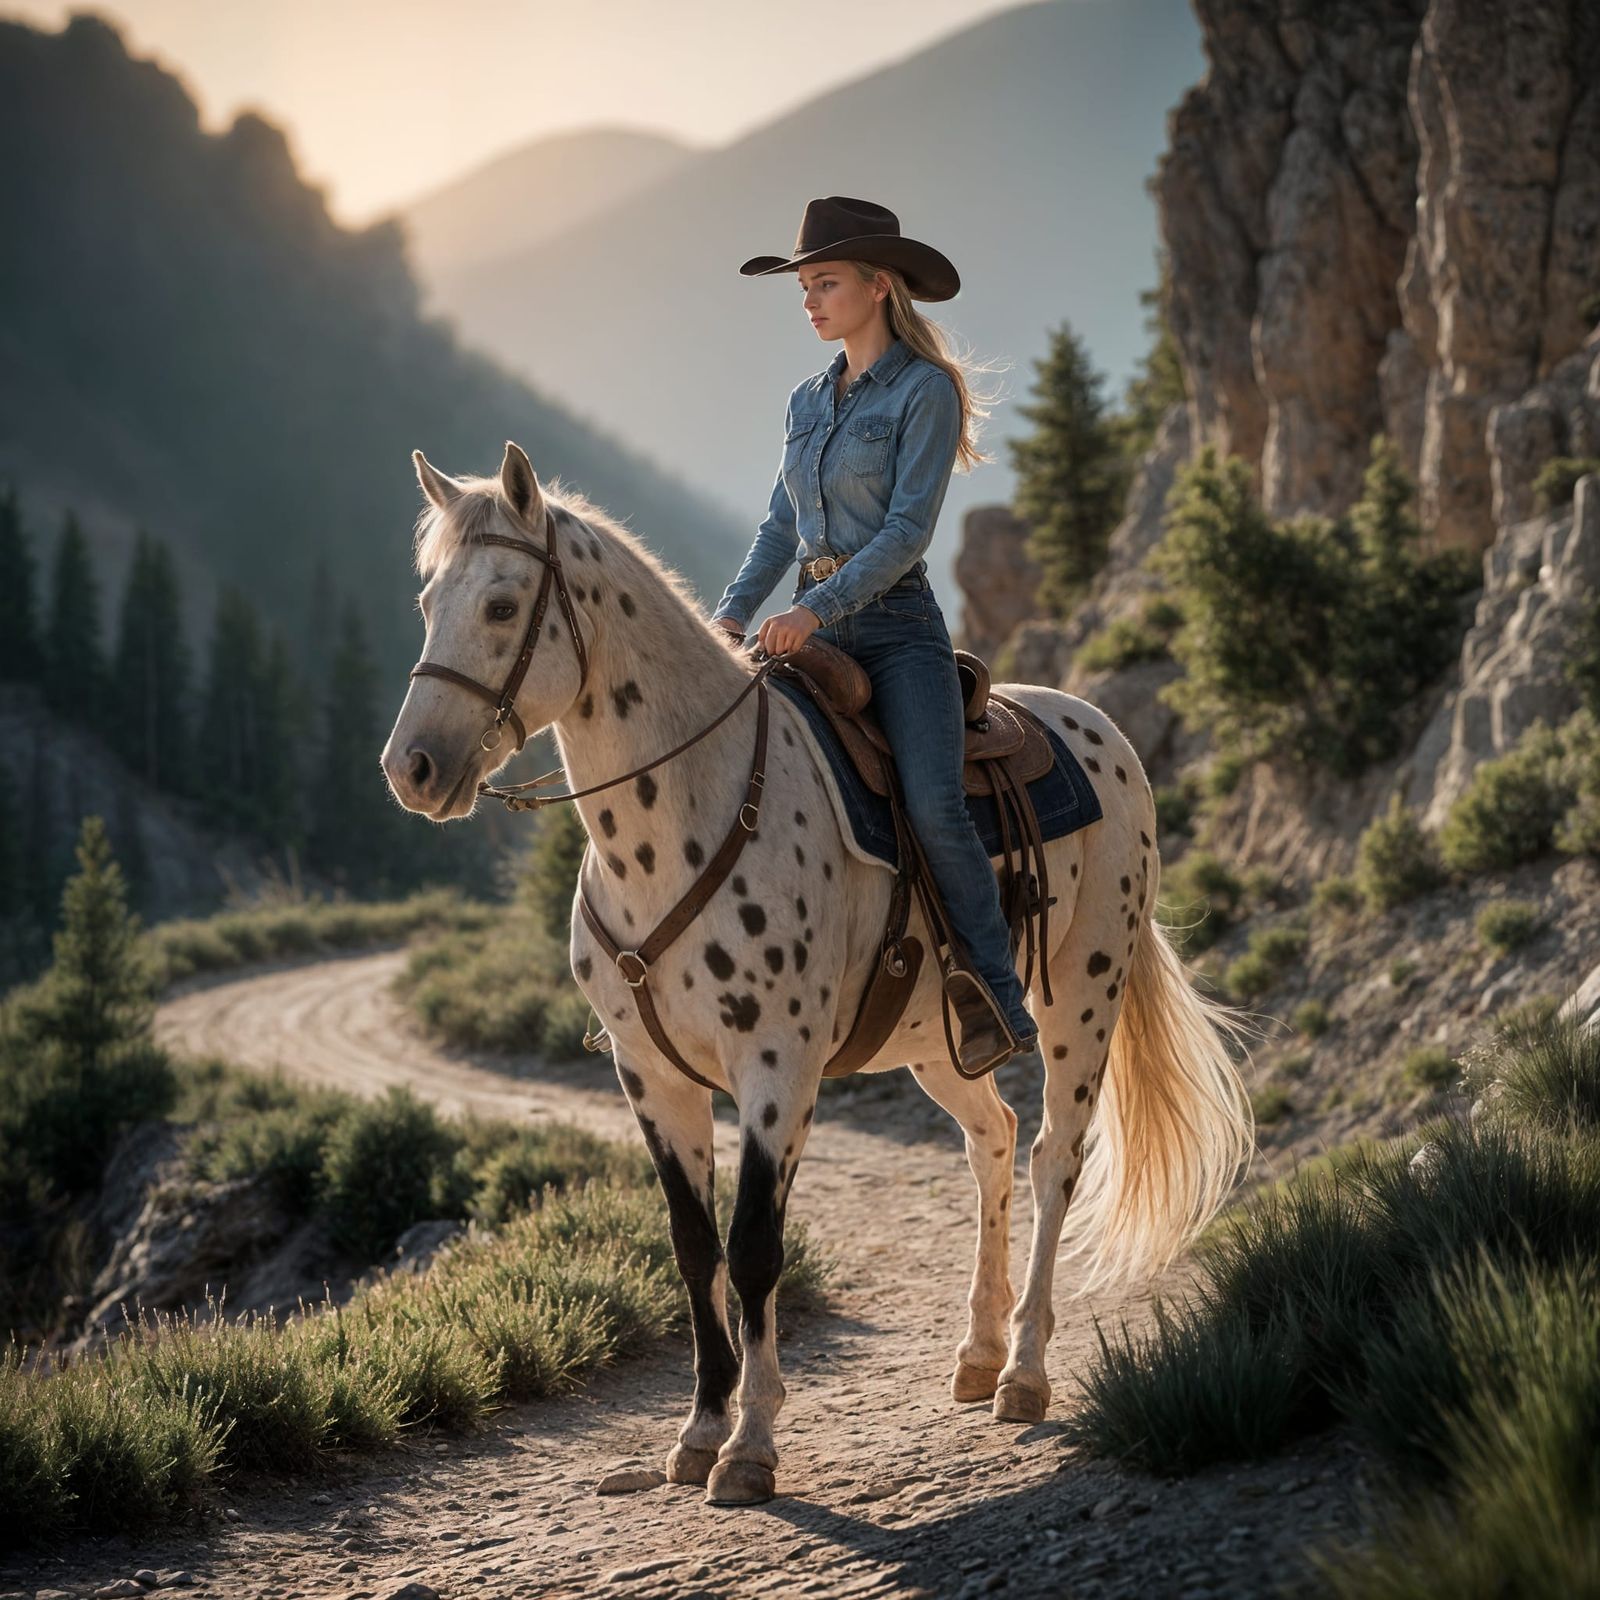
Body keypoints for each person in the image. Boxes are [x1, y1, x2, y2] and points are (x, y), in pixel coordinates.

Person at [709, 195, 1039, 1075]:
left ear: (879, 287)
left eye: (825, 283)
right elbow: (781, 527)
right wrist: (731, 616)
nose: (809, 301)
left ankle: (997, 999)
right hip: (800, 629)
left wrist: (813, 611)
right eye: (804, 286)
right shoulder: (806, 401)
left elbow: (904, 536)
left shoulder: (926, 391)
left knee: (933, 803)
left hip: (895, 632)